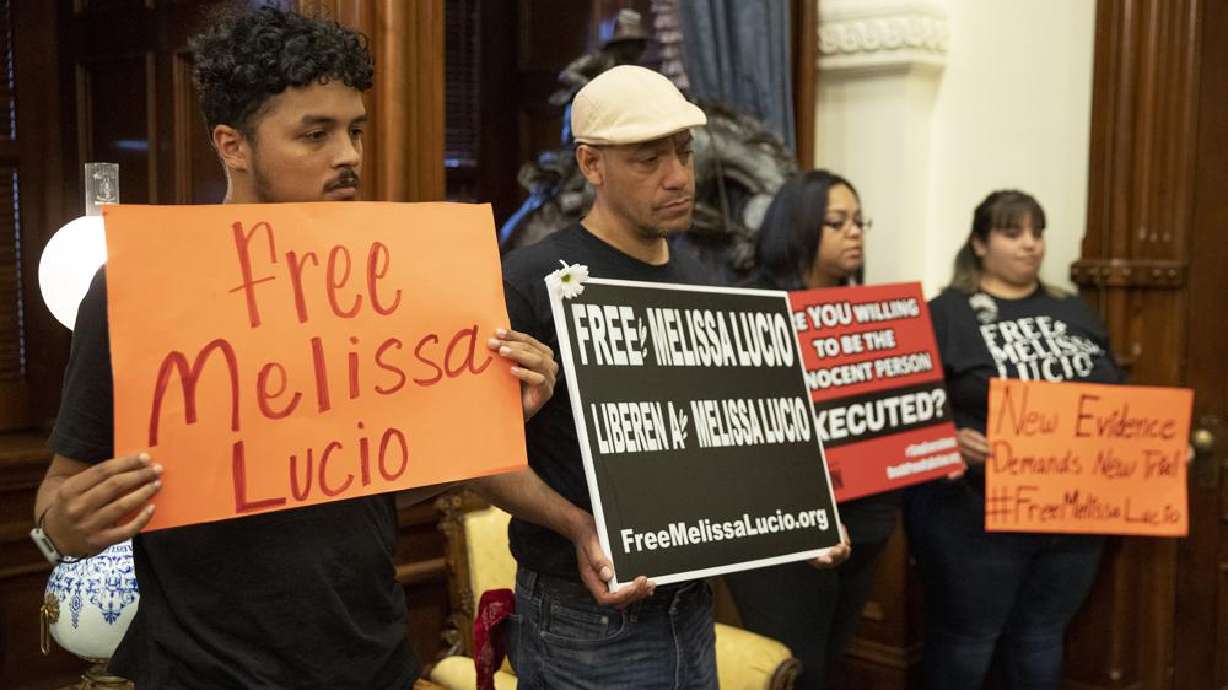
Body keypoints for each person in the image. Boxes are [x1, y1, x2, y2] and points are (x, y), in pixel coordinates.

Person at [32, 8, 556, 689]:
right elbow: (58, 492)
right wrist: (62, 531)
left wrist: (495, 415)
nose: (349, 155)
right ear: (233, 144)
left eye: (355, 131)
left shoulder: (382, 284)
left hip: (375, 662)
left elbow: (381, 482)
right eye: (316, 134)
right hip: (204, 672)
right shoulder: (138, 289)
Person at [471, 65, 850, 690]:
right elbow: (479, 460)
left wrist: (800, 511)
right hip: (580, 617)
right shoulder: (529, 280)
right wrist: (577, 524)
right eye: (649, 160)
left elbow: (724, 436)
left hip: (690, 605)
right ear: (592, 165)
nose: (678, 177)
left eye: (684, 152)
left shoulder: (705, 282)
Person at [903, 190, 1125, 689]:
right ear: (979, 244)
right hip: (973, 517)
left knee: (1042, 636)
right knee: (968, 640)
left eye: (1038, 232)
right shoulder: (945, 314)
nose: (1031, 245)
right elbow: (904, 411)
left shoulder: (1074, 310)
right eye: (1012, 233)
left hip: (1073, 513)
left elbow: (1116, 399)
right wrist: (949, 440)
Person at [723, 169, 885, 689]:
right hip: (780, 531)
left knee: (832, 660)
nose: (854, 232)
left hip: (865, 516)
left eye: (860, 221)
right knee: (795, 667)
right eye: (836, 222)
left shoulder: (872, 315)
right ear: (796, 227)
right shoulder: (747, 308)